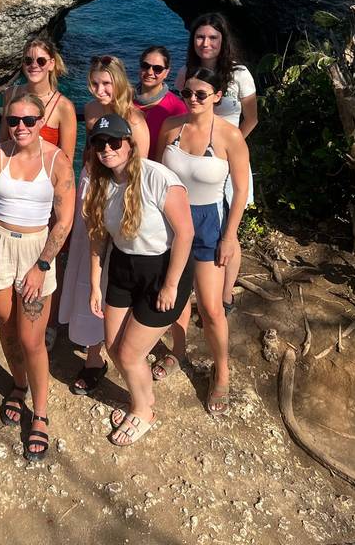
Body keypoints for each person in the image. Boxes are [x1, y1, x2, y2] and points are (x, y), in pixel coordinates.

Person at [0, 94, 75, 462]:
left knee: (32, 339)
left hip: (35, 250)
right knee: (5, 325)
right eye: (14, 120)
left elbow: (63, 222)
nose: (21, 127)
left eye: (29, 120)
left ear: (41, 119)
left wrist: (42, 265)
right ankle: (18, 384)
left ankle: (41, 413)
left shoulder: (57, 161)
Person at [86, 114, 194, 445]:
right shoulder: (101, 183)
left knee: (130, 354)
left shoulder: (157, 177)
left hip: (161, 270)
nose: (107, 149)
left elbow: (185, 233)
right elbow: (99, 238)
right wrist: (94, 283)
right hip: (122, 266)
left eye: (114, 141)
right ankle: (142, 401)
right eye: (100, 143)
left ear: (130, 145)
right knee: (113, 347)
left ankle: (144, 411)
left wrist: (172, 285)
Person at [157, 68, 249, 413]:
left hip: (209, 222)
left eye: (200, 94)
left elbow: (239, 192)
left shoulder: (229, 137)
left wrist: (230, 237)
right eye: (187, 93)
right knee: (178, 297)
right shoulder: (171, 128)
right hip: (170, 221)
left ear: (217, 95)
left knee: (211, 307)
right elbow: (155, 173)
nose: (192, 99)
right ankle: (178, 352)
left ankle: (221, 373)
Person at [59, 55, 149, 394]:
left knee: (116, 273)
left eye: (106, 83)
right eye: (95, 83)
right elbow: (88, 155)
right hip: (90, 189)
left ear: (120, 82)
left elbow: (142, 169)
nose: (100, 90)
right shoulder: (91, 111)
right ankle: (92, 354)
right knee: (87, 270)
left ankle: (121, 345)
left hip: (122, 197)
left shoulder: (134, 120)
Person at [0, 37, 77, 352]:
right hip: (16, 188)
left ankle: (50, 322)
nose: (33, 65)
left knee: (49, 255)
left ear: (53, 64)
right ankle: (20, 312)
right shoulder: (12, 96)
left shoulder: (64, 107)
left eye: (40, 60)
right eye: (28, 60)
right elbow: (3, 144)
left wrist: (56, 206)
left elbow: (66, 160)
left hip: (47, 191)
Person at [174, 12, 257, 312]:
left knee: (228, 230)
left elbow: (252, 117)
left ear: (223, 41)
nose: (205, 43)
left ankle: (225, 296)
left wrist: (233, 151)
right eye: (200, 37)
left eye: (212, 38)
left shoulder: (239, 74)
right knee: (192, 225)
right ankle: (196, 287)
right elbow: (179, 113)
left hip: (228, 159)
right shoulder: (186, 73)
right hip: (194, 163)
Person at [133, 45, 188, 160]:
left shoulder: (177, 108)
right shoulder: (123, 99)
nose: (149, 72)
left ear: (166, 72)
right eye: (145, 66)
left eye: (157, 69)